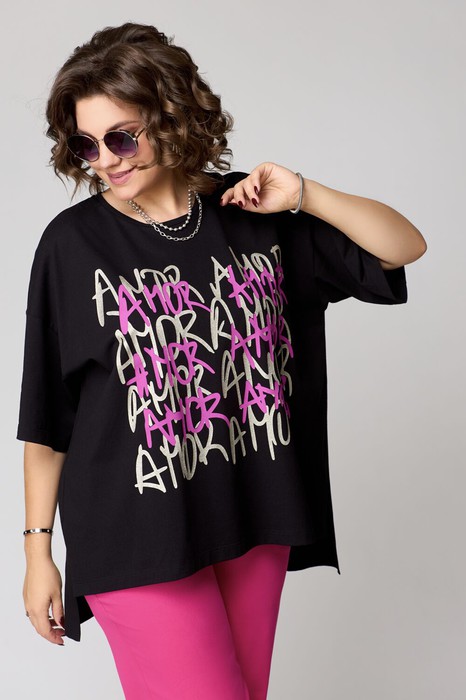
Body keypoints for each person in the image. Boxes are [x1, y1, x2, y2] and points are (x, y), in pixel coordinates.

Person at [17, 21, 426, 700]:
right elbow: (47, 418)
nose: (105, 160)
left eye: (122, 137)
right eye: (87, 145)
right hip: (134, 534)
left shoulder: (254, 213)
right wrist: (37, 554)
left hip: (253, 514)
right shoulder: (71, 246)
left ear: (171, 115)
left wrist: (305, 195)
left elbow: (403, 248)